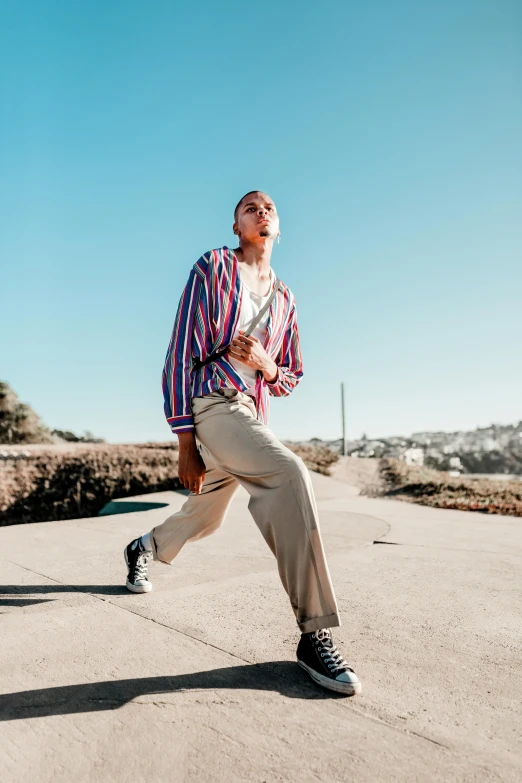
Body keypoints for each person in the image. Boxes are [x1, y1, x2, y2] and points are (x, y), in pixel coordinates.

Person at [123, 191, 362, 696]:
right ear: (236, 226)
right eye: (250, 207)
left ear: (279, 225)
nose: (262, 210)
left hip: (250, 413)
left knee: (207, 515)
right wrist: (184, 440)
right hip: (211, 404)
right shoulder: (211, 267)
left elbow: (289, 374)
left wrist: (265, 363)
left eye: (270, 207)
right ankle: (313, 631)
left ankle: (143, 547)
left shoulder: (286, 298)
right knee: (289, 474)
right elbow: (180, 351)